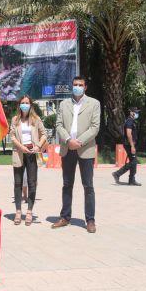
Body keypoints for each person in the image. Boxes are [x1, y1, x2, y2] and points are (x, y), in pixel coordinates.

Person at [52, 76, 101, 233]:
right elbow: (58, 124)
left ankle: (90, 220)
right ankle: (65, 217)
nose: (77, 87)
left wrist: (78, 141)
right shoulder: (64, 104)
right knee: (67, 184)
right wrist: (68, 140)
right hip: (68, 149)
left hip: (85, 149)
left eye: (80, 85)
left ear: (85, 87)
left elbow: (95, 127)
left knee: (88, 186)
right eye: (75, 85)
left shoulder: (94, 103)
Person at [9, 95, 47, 226]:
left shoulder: (36, 119)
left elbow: (44, 134)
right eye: (22, 103)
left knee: (32, 182)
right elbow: (12, 136)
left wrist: (38, 146)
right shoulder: (15, 119)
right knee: (18, 183)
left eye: (27, 103)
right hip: (19, 153)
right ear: (19, 105)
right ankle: (18, 211)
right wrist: (22, 147)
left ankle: (29, 211)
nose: (24, 105)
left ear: (31, 105)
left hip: (32, 154)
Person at [113, 107, 142, 186]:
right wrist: (132, 146)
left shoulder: (131, 121)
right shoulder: (129, 121)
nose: (137, 114)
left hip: (130, 144)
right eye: (135, 112)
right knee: (134, 162)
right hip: (129, 144)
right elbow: (128, 134)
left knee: (134, 162)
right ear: (131, 113)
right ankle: (117, 174)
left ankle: (131, 180)